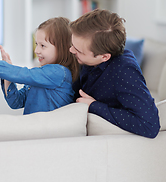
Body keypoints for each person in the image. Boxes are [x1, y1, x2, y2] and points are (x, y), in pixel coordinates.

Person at [69, 9, 160, 138]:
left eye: (78, 50)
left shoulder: (124, 71)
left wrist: (93, 106)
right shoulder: (88, 59)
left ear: (104, 57)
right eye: (72, 44)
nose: (71, 50)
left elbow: (149, 125)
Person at [0, 17, 79, 114]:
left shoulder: (59, 73)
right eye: (36, 44)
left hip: (49, 136)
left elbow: (22, 74)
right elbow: (15, 102)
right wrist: (7, 74)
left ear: (62, 47)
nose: (37, 50)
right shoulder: (41, 75)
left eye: (43, 46)